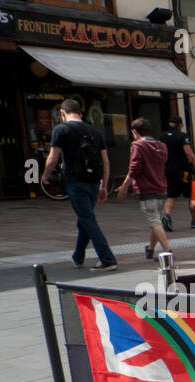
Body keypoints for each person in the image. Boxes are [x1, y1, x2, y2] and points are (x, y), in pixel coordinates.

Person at [43, 100, 117, 272]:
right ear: (81, 114)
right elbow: (105, 162)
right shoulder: (95, 132)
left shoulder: (61, 130)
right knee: (85, 219)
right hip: (93, 182)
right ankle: (78, 257)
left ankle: (107, 259)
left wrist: (45, 175)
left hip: (76, 182)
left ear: (62, 113)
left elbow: (53, 157)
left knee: (87, 219)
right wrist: (104, 185)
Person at [116, 118, 171, 261]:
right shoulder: (161, 145)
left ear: (135, 132)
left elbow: (134, 169)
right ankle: (151, 249)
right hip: (161, 188)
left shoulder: (138, 146)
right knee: (156, 220)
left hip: (147, 189)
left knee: (154, 221)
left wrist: (124, 186)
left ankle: (167, 250)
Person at [161, 115, 195, 231]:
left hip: (168, 170)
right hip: (184, 171)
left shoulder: (162, 136)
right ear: (180, 125)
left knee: (171, 196)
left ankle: (167, 216)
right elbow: (189, 154)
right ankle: (194, 220)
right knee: (192, 195)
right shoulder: (182, 136)